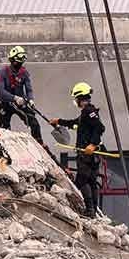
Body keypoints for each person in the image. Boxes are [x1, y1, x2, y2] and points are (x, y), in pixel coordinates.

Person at [50, 82, 106, 218]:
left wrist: (92, 144)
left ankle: (90, 210)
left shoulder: (89, 111)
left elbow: (100, 127)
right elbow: (75, 123)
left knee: (82, 181)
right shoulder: (85, 113)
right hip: (92, 154)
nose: (75, 101)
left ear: (80, 98)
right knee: (92, 182)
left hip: (87, 154)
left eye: (76, 98)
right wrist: (59, 121)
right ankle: (94, 210)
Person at [0, 46, 46, 148]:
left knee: (34, 122)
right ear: (12, 60)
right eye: (17, 62)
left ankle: (39, 144)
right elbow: (1, 92)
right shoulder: (2, 72)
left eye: (21, 62)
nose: (19, 65)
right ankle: (3, 147)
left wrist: (31, 99)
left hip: (21, 103)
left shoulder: (24, 73)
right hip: (6, 103)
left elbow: (29, 89)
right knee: (2, 128)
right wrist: (15, 98)